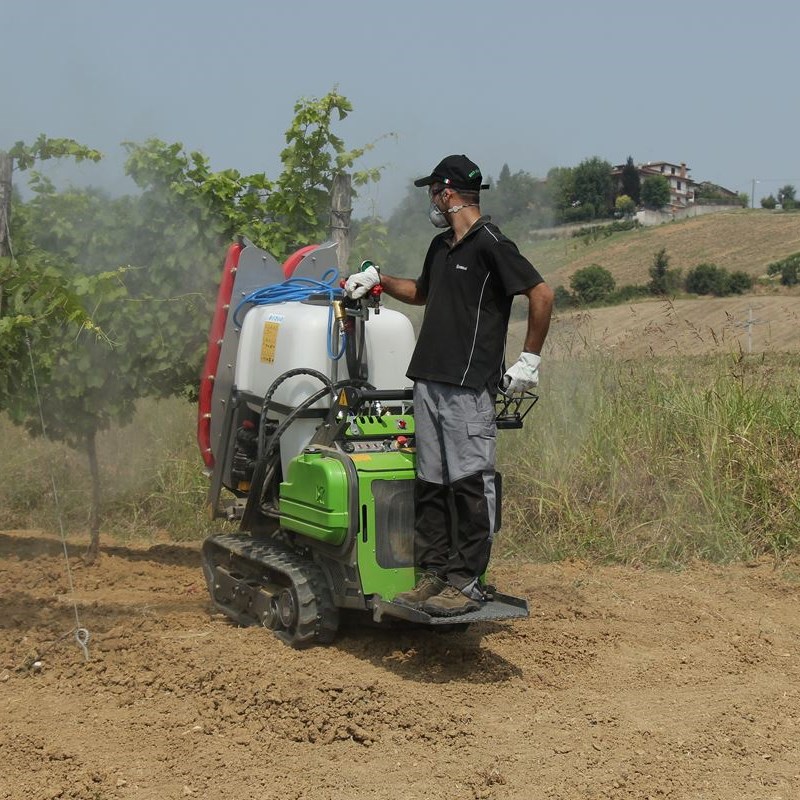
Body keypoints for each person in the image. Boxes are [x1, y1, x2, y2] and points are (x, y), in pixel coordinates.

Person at [345, 154, 554, 617]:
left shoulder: (491, 244)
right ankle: (436, 575)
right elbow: (422, 292)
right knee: (433, 484)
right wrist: (379, 280)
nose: (430, 201)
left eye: (432, 193)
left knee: (468, 485)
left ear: (448, 193)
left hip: (467, 385)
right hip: (430, 379)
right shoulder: (442, 247)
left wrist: (530, 359)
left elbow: (541, 294)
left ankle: (467, 582)